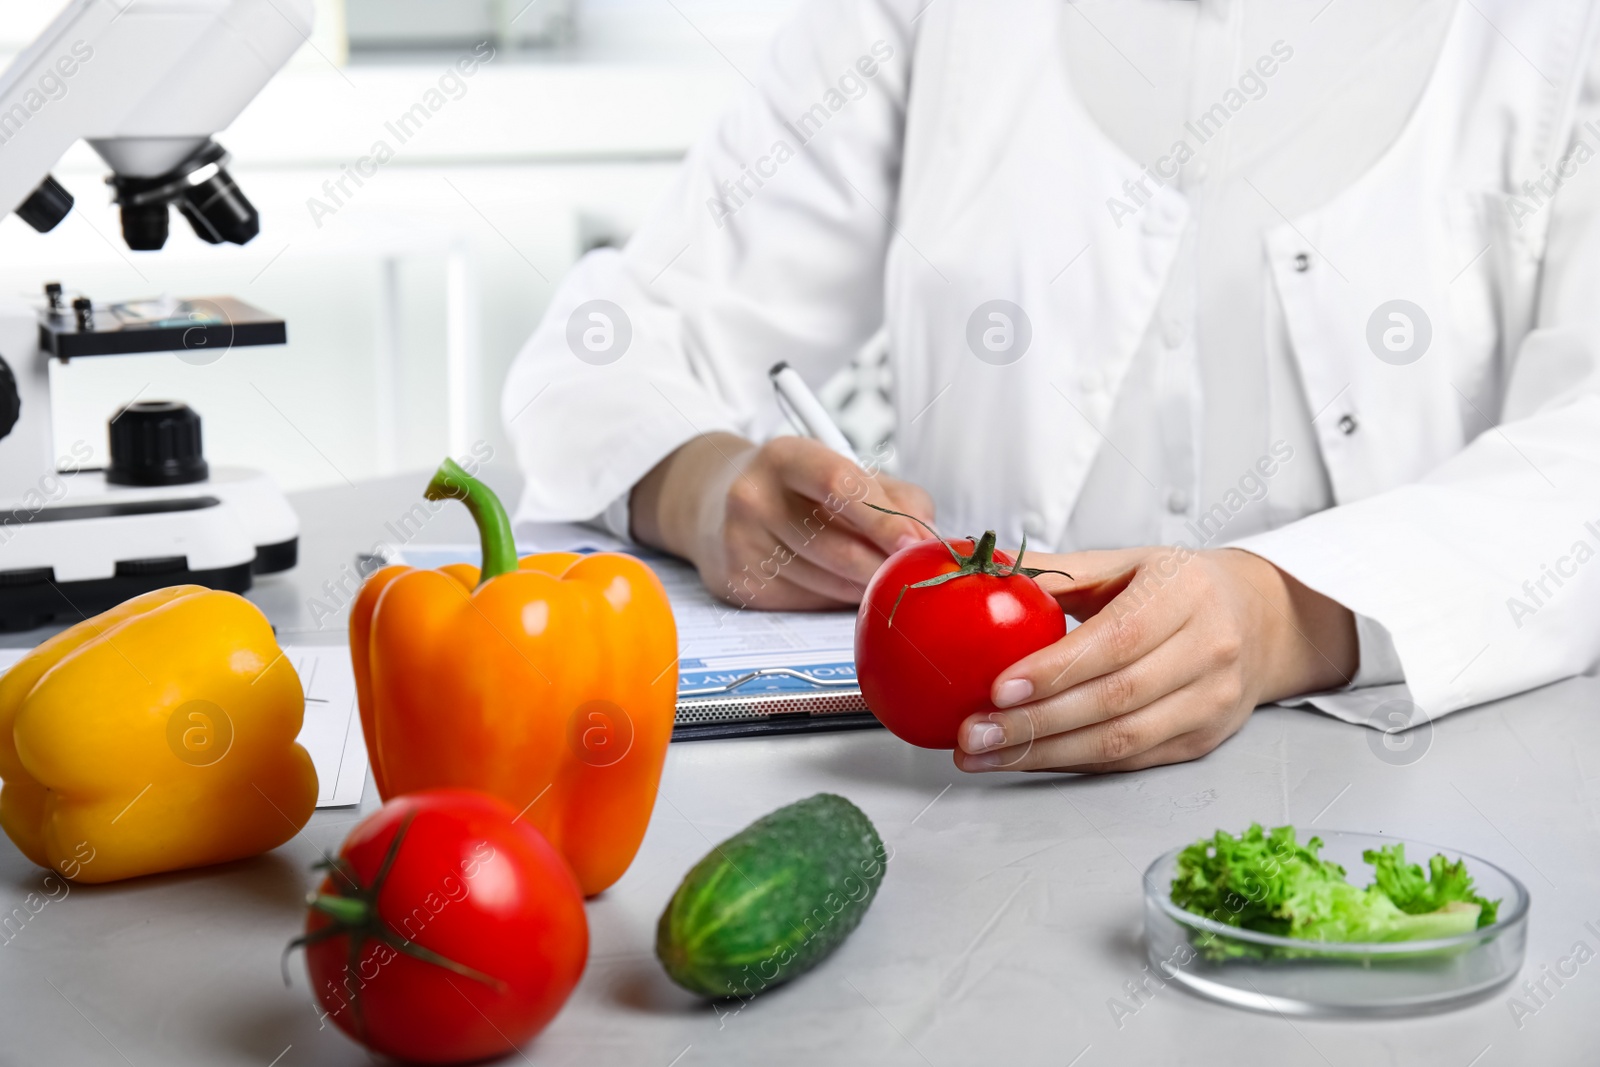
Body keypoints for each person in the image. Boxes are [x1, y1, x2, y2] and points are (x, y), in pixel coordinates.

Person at [501, 0, 1600, 774]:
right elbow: (600, 345)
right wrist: (705, 487)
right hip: (971, 804)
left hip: (1430, 816)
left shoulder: (1557, 32)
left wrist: (1281, 614)